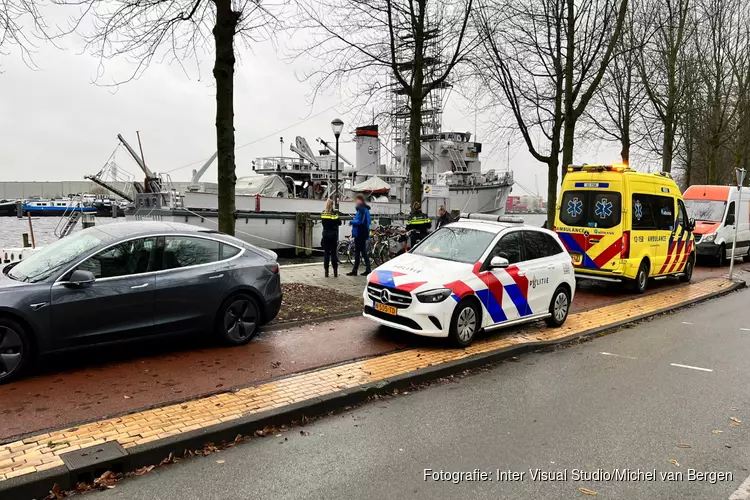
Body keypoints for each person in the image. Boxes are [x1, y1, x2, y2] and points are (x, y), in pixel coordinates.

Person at [347, 194, 372, 276]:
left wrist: (352, 222)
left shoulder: (362, 210)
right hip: (362, 232)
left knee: (358, 252)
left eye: (357, 200)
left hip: (360, 233)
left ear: (360, 200)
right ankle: (366, 269)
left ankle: (356, 270)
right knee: (362, 251)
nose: (356, 202)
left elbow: (360, 221)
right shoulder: (363, 210)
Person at [321, 199, 341, 277]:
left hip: (325, 235)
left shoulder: (323, 213)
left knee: (326, 253)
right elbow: (339, 223)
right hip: (333, 235)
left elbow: (323, 223)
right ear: (332, 205)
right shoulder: (334, 214)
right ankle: (335, 271)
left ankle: (326, 272)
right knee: (333, 253)